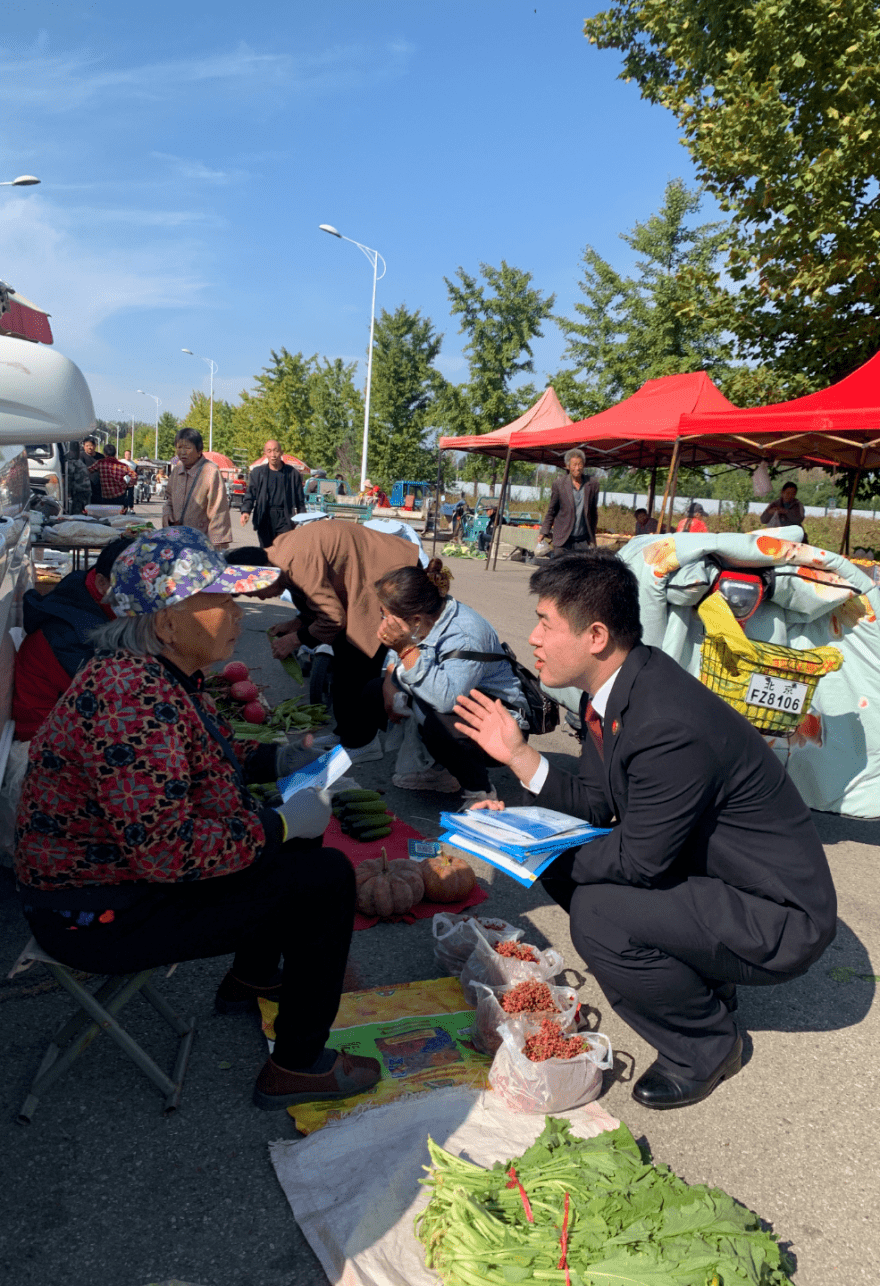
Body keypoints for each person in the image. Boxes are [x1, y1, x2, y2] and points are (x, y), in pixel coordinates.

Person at [453, 551, 837, 1110]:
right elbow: (595, 803)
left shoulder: (666, 722)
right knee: (566, 871)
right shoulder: (618, 688)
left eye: (546, 623)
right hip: (720, 880)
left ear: (597, 636)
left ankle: (706, 1044)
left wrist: (534, 848)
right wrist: (518, 762)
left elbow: (638, 863)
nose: (532, 638)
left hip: (778, 916)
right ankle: (705, 982)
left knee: (599, 913)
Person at [14, 527, 380, 1111]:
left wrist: (277, 758)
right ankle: (297, 1065)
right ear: (166, 623)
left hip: (115, 886)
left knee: (294, 847)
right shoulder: (129, 696)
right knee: (326, 877)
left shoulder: (152, 673)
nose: (239, 613)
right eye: (221, 601)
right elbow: (166, 851)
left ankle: (254, 977)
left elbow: (192, 757)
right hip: (97, 914)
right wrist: (279, 825)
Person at [236, 520, 420, 761]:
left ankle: (364, 742)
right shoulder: (277, 557)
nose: (259, 599)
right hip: (360, 578)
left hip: (387, 575)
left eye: (254, 592)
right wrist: (297, 623)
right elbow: (319, 600)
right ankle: (345, 734)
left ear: (264, 577)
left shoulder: (295, 563)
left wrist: (296, 639)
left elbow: (333, 618)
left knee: (359, 660)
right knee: (343, 657)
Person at [366, 559, 529, 799]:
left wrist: (405, 649)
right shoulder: (428, 619)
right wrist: (391, 679)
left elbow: (446, 700)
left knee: (440, 724)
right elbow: (402, 664)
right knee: (375, 689)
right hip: (460, 702)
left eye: (387, 616)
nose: (384, 622)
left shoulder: (465, 636)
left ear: (416, 620)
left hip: (503, 723)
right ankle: (439, 772)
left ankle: (480, 792)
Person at [13, 537, 134, 740]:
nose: (148, 599)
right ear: (102, 583)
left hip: (70, 723)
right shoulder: (72, 639)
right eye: (135, 588)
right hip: (42, 738)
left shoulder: (86, 588)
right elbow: (113, 707)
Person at [162, 427, 232, 549]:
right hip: (176, 539)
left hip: (201, 542)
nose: (182, 452)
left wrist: (216, 546)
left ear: (199, 450)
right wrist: (167, 514)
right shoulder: (177, 469)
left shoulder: (211, 472)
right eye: (179, 447)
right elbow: (169, 499)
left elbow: (218, 511)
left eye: (187, 448)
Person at [239, 440, 306, 547]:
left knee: (283, 551)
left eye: (276, 451)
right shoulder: (258, 473)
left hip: (285, 517)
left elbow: (300, 500)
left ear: (281, 452)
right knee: (266, 552)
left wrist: (303, 519)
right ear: (265, 453)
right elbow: (250, 495)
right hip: (264, 516)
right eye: (269, 451)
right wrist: (246, 511)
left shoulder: (292, 474)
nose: (273, 455)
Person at [540, 449, 601, 557]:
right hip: (563, 540)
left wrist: (592, 536)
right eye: (574, 465)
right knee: (561, 571)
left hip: (582, 540)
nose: (577, 468)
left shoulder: (592, 484)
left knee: (581, 572)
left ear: (584, 465)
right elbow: (552, 511)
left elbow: (593, 512)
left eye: (580, 464)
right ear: (568, 466)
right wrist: (543, 532)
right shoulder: (559, 484)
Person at [87, 442, 137, 508]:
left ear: (104, 453)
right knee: (120, 517)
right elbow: (134, 475)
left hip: (105, 497)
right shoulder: (122, 465)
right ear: (115, 453)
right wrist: (129, 486)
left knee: (106, 516)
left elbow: (88, 470)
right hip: (120, 496)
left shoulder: (100, 463)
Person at [66, 442, 93, 515]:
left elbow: (69, 478)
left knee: (78, 512)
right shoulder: (79, 461)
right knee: (85, 510)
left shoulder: (72, 462)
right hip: (86, 489)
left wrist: (68, 491)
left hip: (80, 490)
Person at [82, 436, 104, 504]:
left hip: (98, 488)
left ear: (95, 446)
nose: (89, 447)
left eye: (91, 445)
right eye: (87, 445)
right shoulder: (80, 456)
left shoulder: (101, 457)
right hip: (84, 488)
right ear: (84, 446)